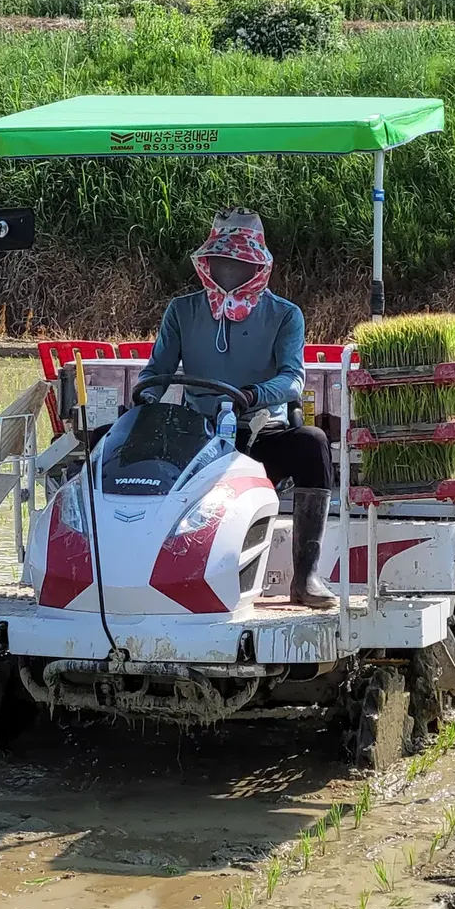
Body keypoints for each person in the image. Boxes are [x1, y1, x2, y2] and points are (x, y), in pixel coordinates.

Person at [136, 209, 335, 609]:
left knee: (313, 444)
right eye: (221, 260)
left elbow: (292, 378)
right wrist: (144, 398)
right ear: (205, 263)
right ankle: (132, 573)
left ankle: (305, 577)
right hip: (198, 436)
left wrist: (254, 394)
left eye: (240, 262)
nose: (229, 269)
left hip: (261, 433)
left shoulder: (284, 315)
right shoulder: (182, 311)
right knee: (120, 443)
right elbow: (156, 372)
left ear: (259, 265)